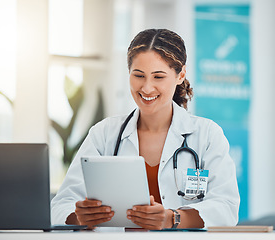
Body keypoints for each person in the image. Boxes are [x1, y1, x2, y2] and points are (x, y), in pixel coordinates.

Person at [51, 29, 240, 230]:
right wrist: (80, 217)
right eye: (139, 75)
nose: (147, 88)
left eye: (158, 77)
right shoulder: (104, 134)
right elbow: (60, 206)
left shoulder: (207, 135)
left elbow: (226, 207)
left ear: (180, 75)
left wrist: (172, 218)